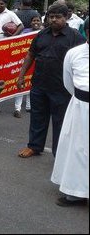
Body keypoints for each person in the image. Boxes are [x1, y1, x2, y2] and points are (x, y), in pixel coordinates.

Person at [17, 3, 85, 158]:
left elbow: (83, 61)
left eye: (58, 17)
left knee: (60, 121)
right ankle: (34, 146)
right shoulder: (41, 35)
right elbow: (30, 55)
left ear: (66, 17)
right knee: (37, 117)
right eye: (51, 17)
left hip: (62, 88)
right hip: (39, 85)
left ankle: (59, 152)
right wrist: (21, 76)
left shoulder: (75, 37)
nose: (54, 20)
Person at [51, 17, 88, 206]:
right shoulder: (74, 54)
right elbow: (68, 82)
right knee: (77, 149)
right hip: (79, 107)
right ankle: (75, 192)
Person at [13, 15, 42, 118]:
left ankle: (29, 107)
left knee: (31, 84)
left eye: (38, 20)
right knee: (21, 83)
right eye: (34, 20)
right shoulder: (24, 32)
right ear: (30, 23)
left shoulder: (44, 33)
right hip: (24, 61)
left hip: (37, 62)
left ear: (41, 22)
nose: (36, 22)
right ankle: (17, 108)